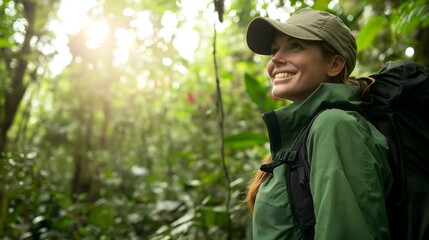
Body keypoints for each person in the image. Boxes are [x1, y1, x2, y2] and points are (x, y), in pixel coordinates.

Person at [245, 8, 393, 239]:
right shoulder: (298, 140)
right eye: (275, 50)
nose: (275, 58)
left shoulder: (335, 126)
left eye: (295, 46)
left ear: (334, 65)